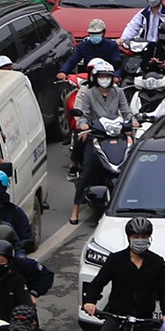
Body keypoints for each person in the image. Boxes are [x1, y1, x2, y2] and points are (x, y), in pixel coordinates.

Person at [70, 62, 131, 224]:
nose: (105, 80)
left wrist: (132, 122)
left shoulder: (118, 92)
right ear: (95, 78)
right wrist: (83, 124)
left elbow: (127, 112)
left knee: (131, 161)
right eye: (102, 76)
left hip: (117, 134)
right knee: (87, 170)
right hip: (97, 135)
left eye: (108, 77)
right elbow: (84, 114)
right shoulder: (90, 94)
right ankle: (75, 208)